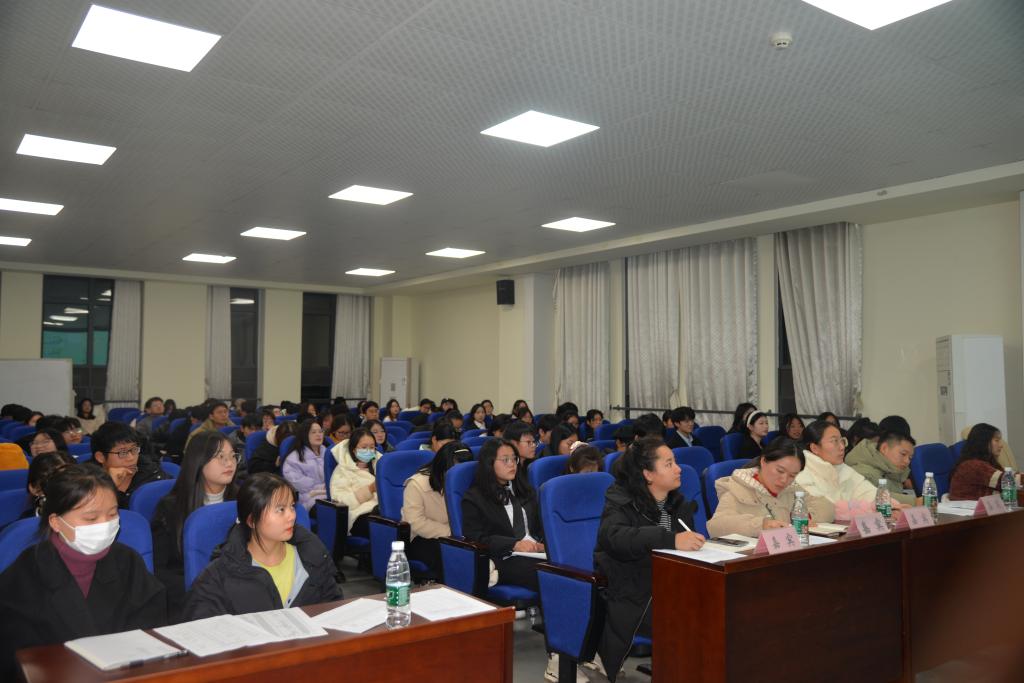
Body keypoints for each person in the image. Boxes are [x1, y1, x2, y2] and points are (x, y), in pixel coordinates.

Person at [0, 466, 167, 675]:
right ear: (56, 522)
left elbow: (151, 626)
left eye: (112, 514)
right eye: (91, 518)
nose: (105, 525)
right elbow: (17, 656)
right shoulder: (25, 574)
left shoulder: (128, 560)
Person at [595, 438, 704, 681]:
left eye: (675, 462)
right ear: (648, 474)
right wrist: (669, 540)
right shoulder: (621, 501)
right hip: (635, 592)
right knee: (692, 619)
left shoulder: (677, 503)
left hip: (672, 585)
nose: (679, 469)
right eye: (669, 464)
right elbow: (614, 537)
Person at [182, 474, 341, 620]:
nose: (291, 516)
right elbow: (200, 627)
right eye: (280, 509)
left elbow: (334, 608)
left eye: (292, 506)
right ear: (251, 521)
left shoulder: (312, 555)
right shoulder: (221, 574)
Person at [151, 432, 239, 618]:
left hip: (239, 589)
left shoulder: (244, 501)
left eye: (232, 456)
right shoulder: (171, 508)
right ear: (199, 461)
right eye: (220, 457)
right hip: (191, 595)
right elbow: (161, 570)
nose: (229, 463)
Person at [461, 439, 544, 591]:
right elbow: (475, 538)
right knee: (548, 576)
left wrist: (544, 544)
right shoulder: (474, 498)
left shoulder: (526, 490)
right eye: (505, 460)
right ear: (489, 463)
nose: (512, 464)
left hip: (536, 553)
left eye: (514, 459)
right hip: (505, 556)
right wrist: (513, 544)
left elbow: (540, 525)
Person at [707, 438, 834, 537]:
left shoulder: (792, 489)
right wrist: (761, 525)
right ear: (763, 461)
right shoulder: (738, 488)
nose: (784, 480)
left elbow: (827, 508)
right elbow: (716, 525)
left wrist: (804, 518)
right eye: (780, 471)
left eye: (792, 475)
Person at [401, 441, 473, 577]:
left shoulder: (467, 481)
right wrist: (452, 533)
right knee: (451, 555)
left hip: (459, 536)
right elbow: (415, 522)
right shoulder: (416, 484)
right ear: (443, 467)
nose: (459, 476)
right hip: (424, 538)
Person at [795, 420, 879, 511]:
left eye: (842, 441)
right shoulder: (801, 476)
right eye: (834, 441)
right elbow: (827, 511)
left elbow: (874, 497)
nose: (842, 447)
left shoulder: (844, 469)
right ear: (814, 448)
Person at [86, 422, 169, 508]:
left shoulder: (151, 473)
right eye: (122, 452)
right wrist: (111, 486)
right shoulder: (86, 481)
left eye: (134, 450)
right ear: (101, 457)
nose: (131, 458)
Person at [950, 423, 1022, 500]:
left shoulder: (986, 462)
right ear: (983, 442)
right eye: (997, 440)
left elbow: (1005, 475)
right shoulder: (972, 465)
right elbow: (1005, 481)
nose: (1001, 445)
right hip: (967, 506)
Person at [846, 430, 918, 505]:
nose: (907, 461)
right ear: (884, 449)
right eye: (903, 454)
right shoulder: (861, 471)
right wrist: (914, 502)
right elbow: (872, 496)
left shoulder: (892, 472)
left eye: (910, 458)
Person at [328, 427, 379, 535]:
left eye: (372, 447)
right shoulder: (342, 471)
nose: (369, 451)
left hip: (381, 510)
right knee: (382, 526)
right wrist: (370, 489)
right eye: (364, 447)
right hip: (358, 515)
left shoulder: (380, 465)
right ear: (354, 449)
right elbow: (341, 504)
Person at [281, 419, 328, 511]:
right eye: (313, 432)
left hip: (331, 495)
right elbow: (301, 487)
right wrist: (324, 488)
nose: (318, 435)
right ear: (305, 435)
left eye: (320, 431)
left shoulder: (328, 453)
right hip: (309, 500)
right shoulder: (293, 459)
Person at [24, 451, 77, 517]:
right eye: (53, 479)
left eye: (72, 479)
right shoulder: (24, 522)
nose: (65, 486)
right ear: (34, 489)